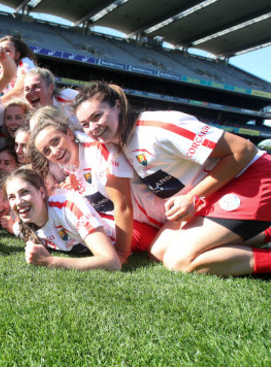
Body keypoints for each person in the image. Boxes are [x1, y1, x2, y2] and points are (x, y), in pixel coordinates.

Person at [74, 81, 271, 276]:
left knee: (178, 260)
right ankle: (265, 233)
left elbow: (243, 150)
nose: (92, 128)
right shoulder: (119, 142)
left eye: (97, 116)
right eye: (85, 124)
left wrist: (193, 196)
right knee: (158, 251)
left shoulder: (160, 128)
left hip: (254, 177)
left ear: (118, 105)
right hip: (217, 191)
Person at [30, 106, 160, 260]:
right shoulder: (69, 164)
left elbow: (122, 206)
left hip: (156, 220)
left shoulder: (99, 152)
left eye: (56, 141)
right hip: (135, 222)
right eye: (47, 151)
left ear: (69, 134)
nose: (54, 151)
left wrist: (121, 254)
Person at [4, 167, 121, 271]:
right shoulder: (20, 228)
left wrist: (49, 261)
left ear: (42, 192)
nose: (18, 202)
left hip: (127, 237)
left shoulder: (69, 207)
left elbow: (112, 262)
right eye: (12, 197)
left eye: (24, 192)